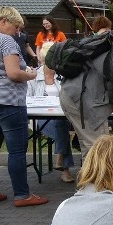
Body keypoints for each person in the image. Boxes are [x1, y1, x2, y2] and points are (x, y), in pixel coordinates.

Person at [0, 6, 47, 207]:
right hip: (8, 100)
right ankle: (22, 195)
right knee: (16, 150)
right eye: (16, 27)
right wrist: (31, 75)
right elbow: (13, 73)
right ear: (4, 21)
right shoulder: (6, 41)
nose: (17, 33)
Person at [27, 42, 75, 183]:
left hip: (63, 116)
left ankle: (61, 157)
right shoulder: (33, 76)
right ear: (43, 59)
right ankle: (63, 165)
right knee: (62, 127)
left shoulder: (63, 76)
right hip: (40, 118)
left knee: (61, 123)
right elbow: (27, 99)